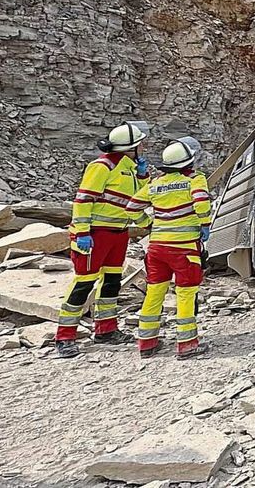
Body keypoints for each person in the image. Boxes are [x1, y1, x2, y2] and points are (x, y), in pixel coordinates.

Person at [56, 122, 152, 359]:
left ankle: (106, 330)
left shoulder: (128, 167)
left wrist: (142, 175)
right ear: (131, 147)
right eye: (140, 143)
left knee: (111, 283)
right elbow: (83, 200)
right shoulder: (102, 166)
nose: (144, 146)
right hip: (95, 234)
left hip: (118, 233)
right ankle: (64, 336)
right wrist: (81, 232)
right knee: (84, 284)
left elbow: (134, 199)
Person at [129, 138, 211, 360]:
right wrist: (205, 224)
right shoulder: (194, 179)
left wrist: (148, 226)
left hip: (156, 248)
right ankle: (187, 344)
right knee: (185, 294)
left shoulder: (155, 183)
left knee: (154, 293)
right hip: (184, 249)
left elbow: (131, 207)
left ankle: (146, 343)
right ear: (188, 162)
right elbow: (201, 202)